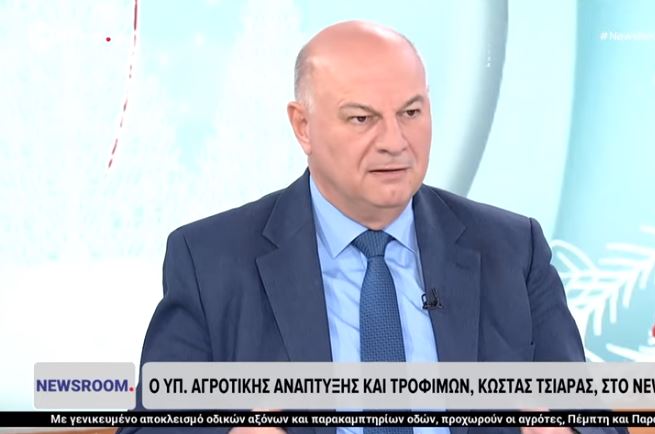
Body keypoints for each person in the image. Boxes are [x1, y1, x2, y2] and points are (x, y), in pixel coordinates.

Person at [122, 21, 626, 434]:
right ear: (303, 125)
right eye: (362, 119)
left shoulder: (513, 250)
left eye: (411, 112)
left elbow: (593, 420)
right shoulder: (210, 261)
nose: (395, 141)